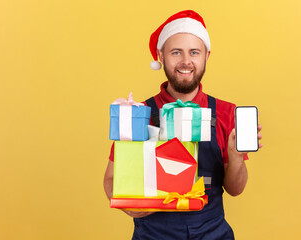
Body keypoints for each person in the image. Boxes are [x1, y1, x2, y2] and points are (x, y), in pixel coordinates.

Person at [104, 10, 263, 240]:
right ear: (161, 56)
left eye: (194, 52)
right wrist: (126, 205)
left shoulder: (227, 113)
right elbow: (110, 178)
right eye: (176, 52)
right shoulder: (138, 114)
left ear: (206, 56)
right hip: (153, 234)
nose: (186, 61)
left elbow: (235, 190)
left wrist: (235, 156)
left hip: (213, 234)